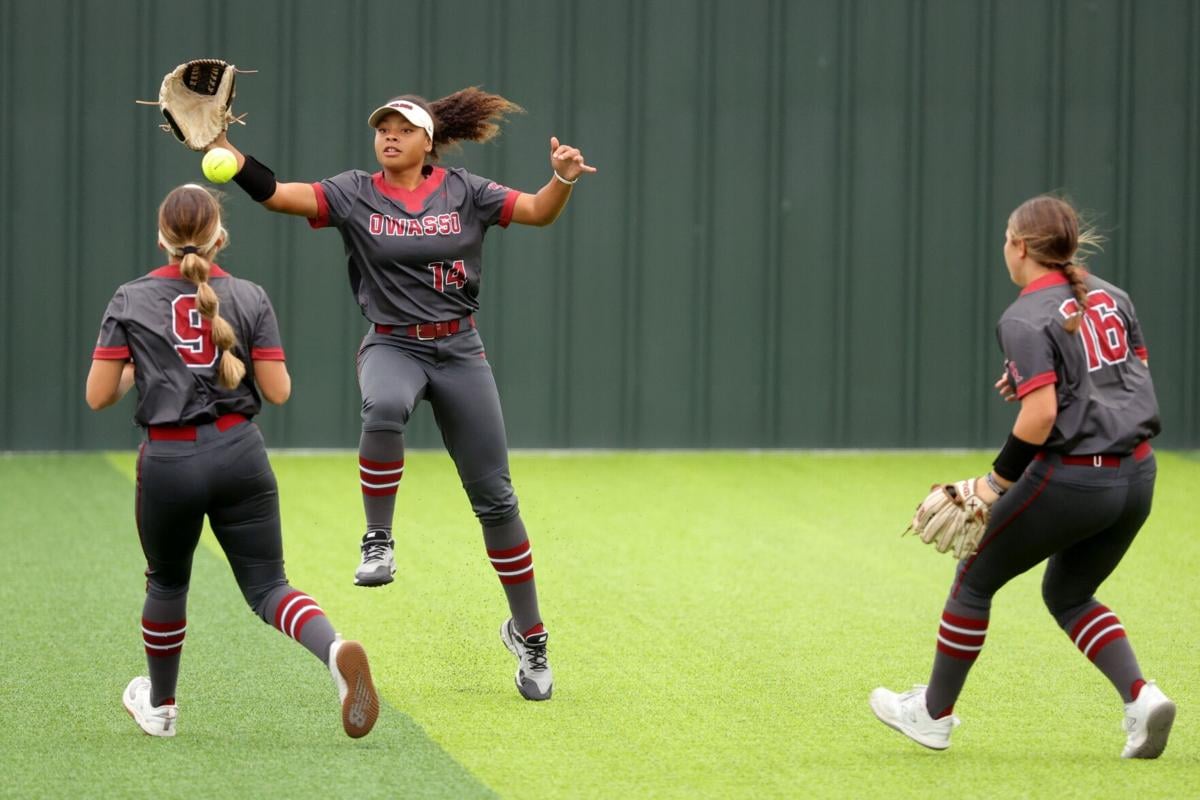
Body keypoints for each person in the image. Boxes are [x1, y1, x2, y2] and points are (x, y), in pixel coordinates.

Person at [208, 87, 595, 701]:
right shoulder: (355, 192)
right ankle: (378, 540)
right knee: (384, 405)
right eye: (382, 127)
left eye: (402, 128)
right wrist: (229, 152)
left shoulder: (466, 191)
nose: (389, 135)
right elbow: (281, 195)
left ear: (427, 141)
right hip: (393, 344)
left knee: (496, 500)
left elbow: (539, 213)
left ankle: (531, 634)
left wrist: (561, 179)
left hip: (460, 350)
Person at [870, 195, 1174, 758]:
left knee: (974, 579)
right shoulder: (1114, 295)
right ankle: (1142, 698)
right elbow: (1127, 379)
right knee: (1070, 592)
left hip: (1077, 481)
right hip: (1138, 477)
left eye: (1007, 239)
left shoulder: (1023, 315)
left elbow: (1040, 417)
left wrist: (993, 484)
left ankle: (932, 715)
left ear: (1021, 246)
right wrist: (1049, 378)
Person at [86, 184, 379, 738]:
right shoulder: (250, 295)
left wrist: (141, 369)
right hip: (240, 453)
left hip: (170, 458)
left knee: (168, 585)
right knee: (269, 586)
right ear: (221, 236)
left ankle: (163, 708)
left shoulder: (130, 297)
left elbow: (98, 396)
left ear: (161, 237)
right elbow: (279, 389)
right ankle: (335, 648)